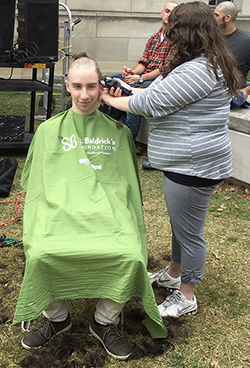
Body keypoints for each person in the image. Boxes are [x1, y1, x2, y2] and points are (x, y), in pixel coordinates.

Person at [13, 53, 167, 360]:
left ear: (102, 89)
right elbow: (38, 183)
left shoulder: (119, 133)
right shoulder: (46, 132)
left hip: (108, 213)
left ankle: (104, 321)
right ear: (67, 86)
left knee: (131, 254)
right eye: (78, 86)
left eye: (92, 86)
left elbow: (126, 186)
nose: (84, 95)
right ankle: (57, 319)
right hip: (59, 209)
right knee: (41, 251)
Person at [99, 2, 242, 318]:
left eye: (173, 29)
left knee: (189, 233)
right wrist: (125, 88)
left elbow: (152, 102)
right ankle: (174, 273)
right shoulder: (201, 62)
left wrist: (109, 97)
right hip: (189, 161)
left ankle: (186, 296)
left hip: (195, 163)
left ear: (188, 32)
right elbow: (156, 90)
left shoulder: (200, 69)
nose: (168, 33)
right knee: (182, 226)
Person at [110, 2, 178, 147]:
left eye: (173, 12)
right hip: (143, 76)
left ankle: (129, 141)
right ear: (161, 13)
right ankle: (111, 124)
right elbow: (144, 62)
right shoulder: (154, 37)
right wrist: (131, 73)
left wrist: (139, 78)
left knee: (134, 93)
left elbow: (164, 69)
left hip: (160, 81)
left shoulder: (178, 39)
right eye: (167, 11)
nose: (169, 14)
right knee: (112, 80)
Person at [214, 1, 250, 104]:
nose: (213, 18)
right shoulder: (209, 38)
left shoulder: (246, 41)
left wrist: (246, 90)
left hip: (231, 101)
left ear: (227, 18)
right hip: (208, 98)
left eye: (216, 15)